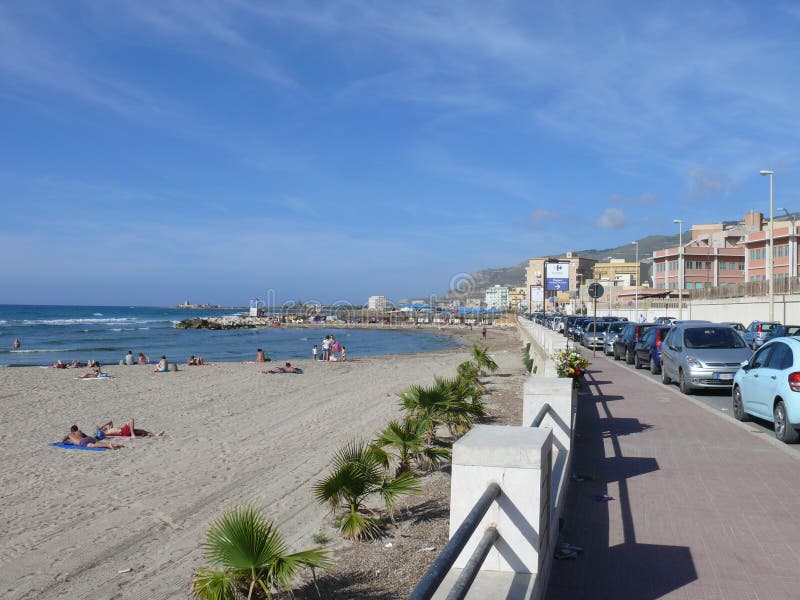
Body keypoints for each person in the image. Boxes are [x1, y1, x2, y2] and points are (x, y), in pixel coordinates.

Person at [98, 419, 164, 438]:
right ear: (102, 430)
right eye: (103, 428)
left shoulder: (109, 429)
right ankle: (132, 435)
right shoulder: (106, 432)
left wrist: (103, 425)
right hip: (123, 431)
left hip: (124, 430)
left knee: (142, 431)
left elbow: (110, 421)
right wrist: (101, 428)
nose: (104, 427)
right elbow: (102, 435)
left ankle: (156, 435)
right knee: (131, 420)